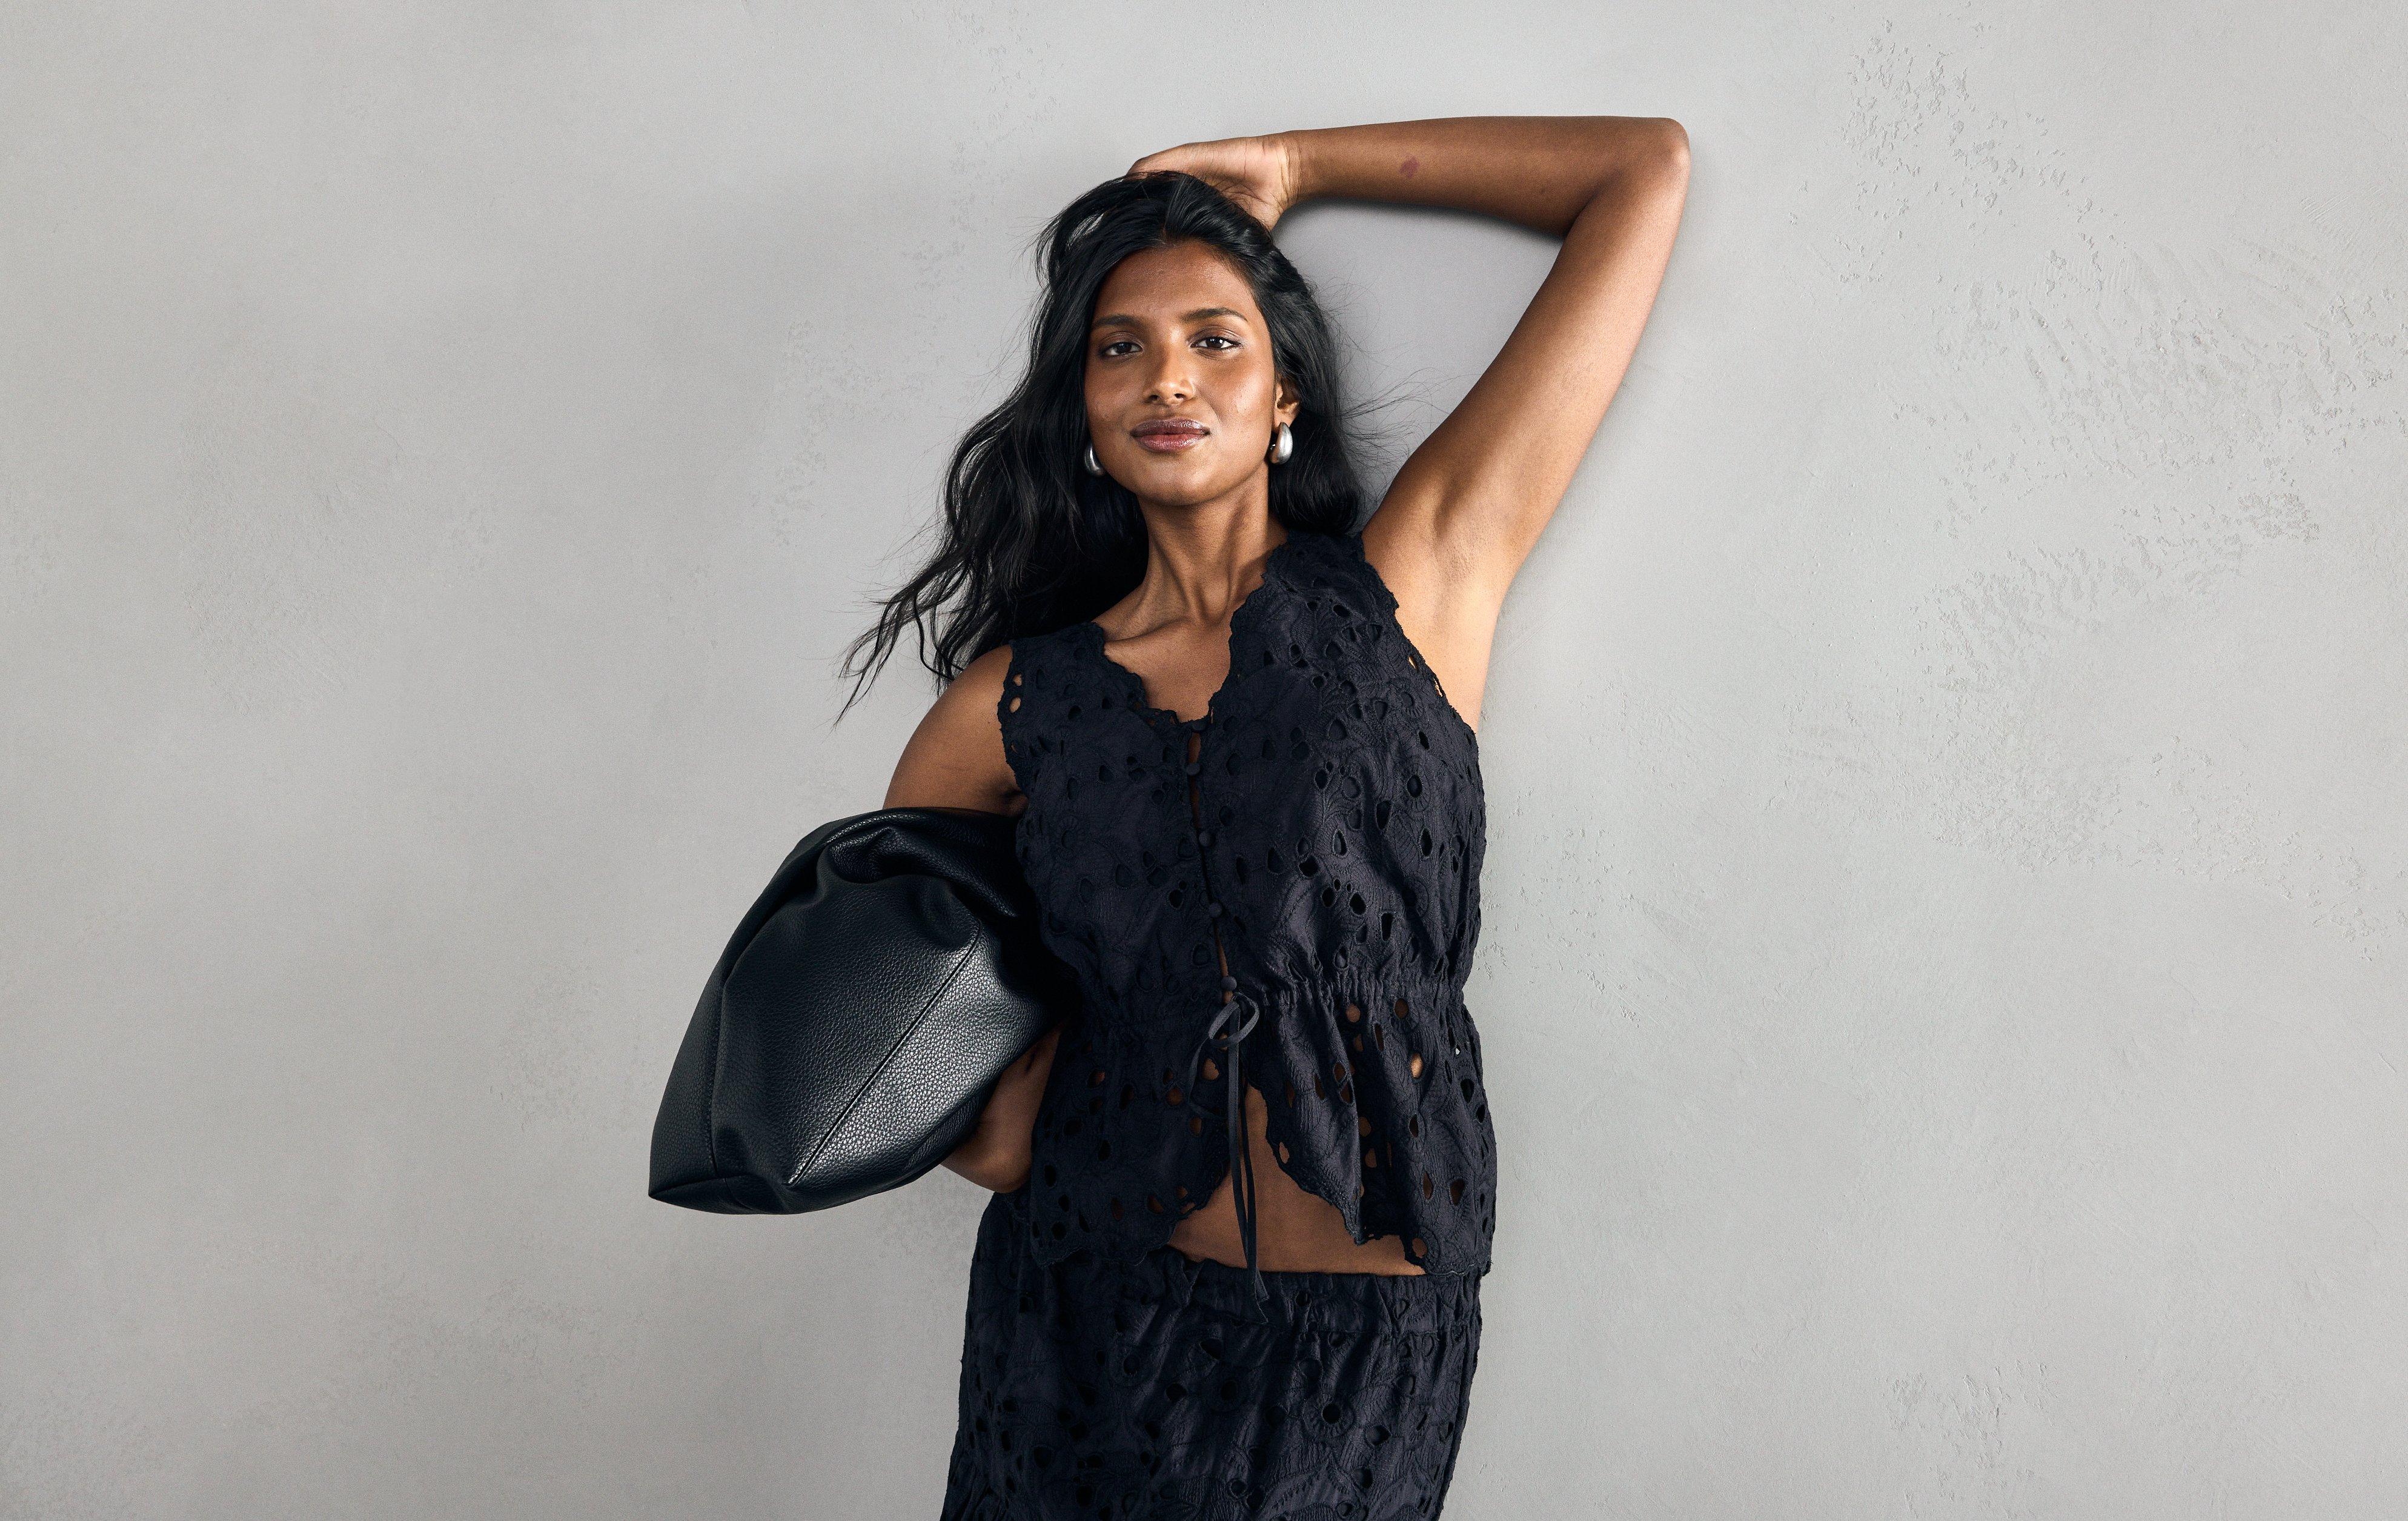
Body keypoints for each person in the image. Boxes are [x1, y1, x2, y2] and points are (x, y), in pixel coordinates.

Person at [852, 116, 1688, 1520]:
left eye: (1213, 338)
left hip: (1361, 1364)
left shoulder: (1414, 586)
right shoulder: (1001, 709)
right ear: (1083, 418)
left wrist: (1293, 169)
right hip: (1087, 1332)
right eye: (1118, 347)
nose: (1164, 375)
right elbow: (960, 1114)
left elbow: (1637, 171)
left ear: (1284, 389)